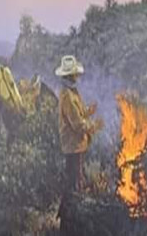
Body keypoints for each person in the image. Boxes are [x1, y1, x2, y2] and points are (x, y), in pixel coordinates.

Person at [55, 55, 104, 192]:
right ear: (71, 75)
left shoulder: (71, 92)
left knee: (75, 178)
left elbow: (79, 113)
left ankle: (69, 209)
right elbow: (77, 124)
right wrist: (95, 126)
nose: (77, 76)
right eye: (75, 73)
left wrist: (89, 111)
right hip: (73, 145)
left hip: (76, 145)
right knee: (74, 181)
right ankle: (71, 210)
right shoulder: (67, 96)